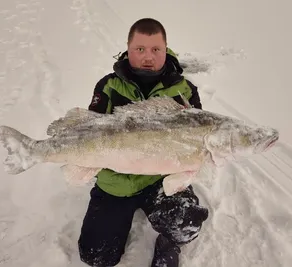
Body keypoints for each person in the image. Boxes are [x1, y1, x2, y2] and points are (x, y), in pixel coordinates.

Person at [78, 18, 209, 267]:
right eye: (140, 49)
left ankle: (168, 243)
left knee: (185, 225)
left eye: (155, 49)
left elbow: (198, 136)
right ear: (128, 49)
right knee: (95, 256)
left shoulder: (185, 90)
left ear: (165, 48)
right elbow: (89, 131)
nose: (148, 57)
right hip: (115, 181)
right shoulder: (107, 86)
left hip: (159, 179)